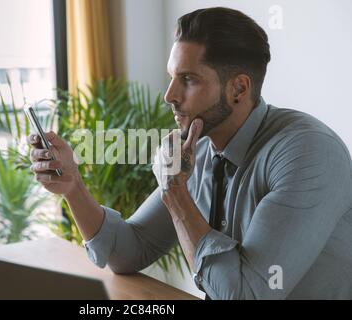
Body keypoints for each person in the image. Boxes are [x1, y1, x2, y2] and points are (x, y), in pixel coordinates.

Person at [28, 7, 352, 299]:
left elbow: (243, 296)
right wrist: (72, 186)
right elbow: (128, 251)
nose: (169, 95)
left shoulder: (308, 154)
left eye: (188, 80)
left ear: (239, 89)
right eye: (172, 77)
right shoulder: (198, 147)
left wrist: (175, 191)